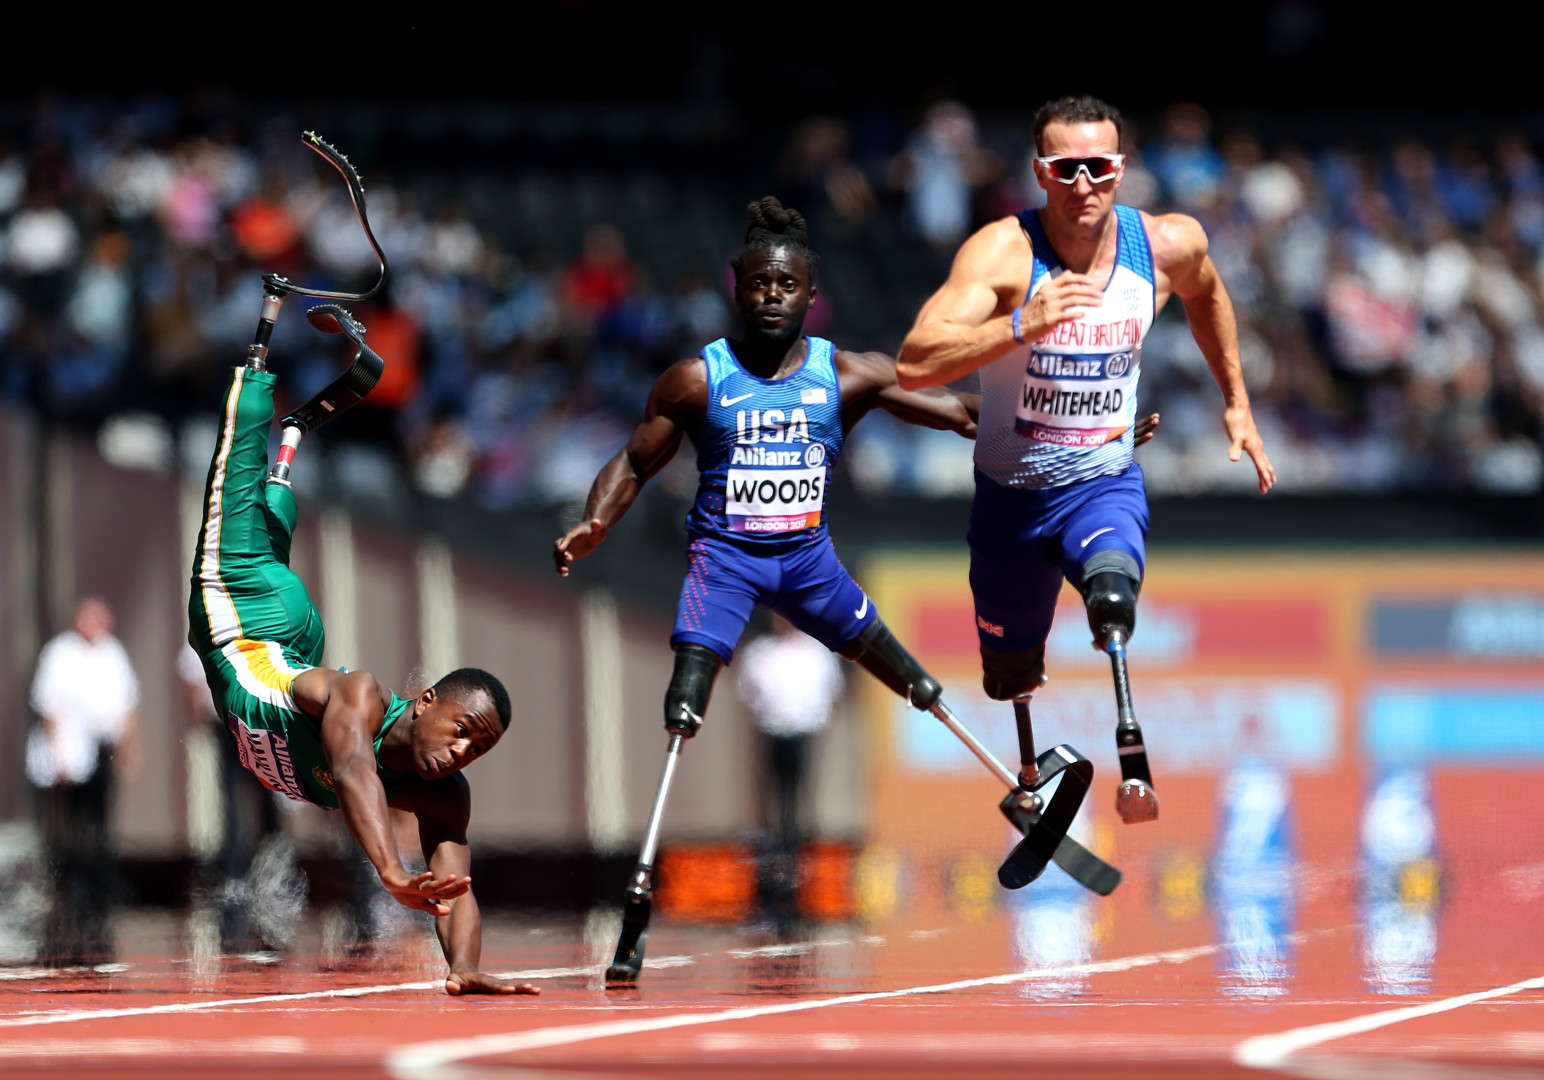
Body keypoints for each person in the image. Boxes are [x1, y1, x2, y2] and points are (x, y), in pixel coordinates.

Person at [896, 94, 1275, 816]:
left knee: (1112, 596)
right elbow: (915, 363)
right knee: (1009, 672)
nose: (1083, 186)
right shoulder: (1002, 253)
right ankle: (1031, 778)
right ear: (1040, 172)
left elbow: (1208, 292)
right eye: (1065, 169)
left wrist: (1237, 401)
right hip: (1009, 501)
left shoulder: (1166, 244)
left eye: (1098, 169)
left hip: (1101, 482)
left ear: (1121, 170)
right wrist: (1019, 323)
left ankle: (1132, 754)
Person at [186, 336, 536, 996]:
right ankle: (262, 365)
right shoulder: (364, 697)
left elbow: (456, 889)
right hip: (243, 623)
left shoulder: (442, 795)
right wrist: (392, 871)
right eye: (463, 728)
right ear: (427, 701)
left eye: (478, 748)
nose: (463, 752)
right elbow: (351, 769)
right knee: (230, 487)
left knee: (271, 528)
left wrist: (463, 967)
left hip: (293, 643)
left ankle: (293, 438)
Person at [27, 595, 140, 965]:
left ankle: (99, 883)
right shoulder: (60, 653)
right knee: (74, 819)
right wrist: (57, 753)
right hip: (72, 749)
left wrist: (128, 749)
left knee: (101, 816)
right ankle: (71, 885)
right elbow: (49, 706)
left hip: (102, 745)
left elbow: (127, 705)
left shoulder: (113, 653)